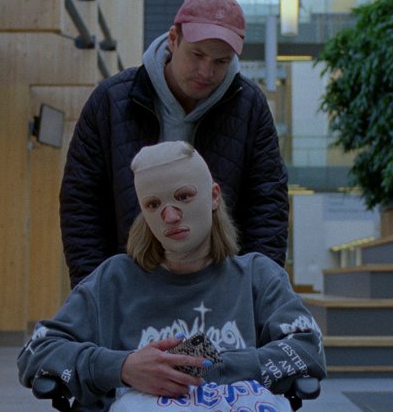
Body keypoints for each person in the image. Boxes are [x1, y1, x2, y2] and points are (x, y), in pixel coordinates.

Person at [20, 142, 326, 412]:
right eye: (153, 204)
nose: (170, 216)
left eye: (184, 196)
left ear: (214, 196)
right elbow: (37, 352)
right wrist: (123, 368)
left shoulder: (257, 277)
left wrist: (208, 367)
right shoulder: (113, 280)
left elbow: (309, 348)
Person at [60, 0, 288, 287]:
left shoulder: (250, 106)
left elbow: (268, 205)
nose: (206, 71)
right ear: (173, 39)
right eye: (197, 55)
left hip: (219, 286)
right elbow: (82, 203)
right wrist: (94, 291)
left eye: (221, 61)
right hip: (128, 283)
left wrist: (258, 291)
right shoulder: (111, 100)